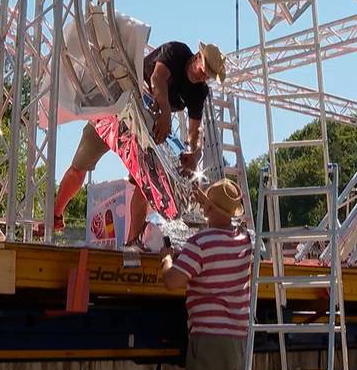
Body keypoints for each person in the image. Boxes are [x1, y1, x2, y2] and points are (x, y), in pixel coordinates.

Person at [40, 41, 228, 243]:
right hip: (120, 108)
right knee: (81, 163)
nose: (203, 76)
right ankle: (56, 215)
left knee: (147, 185)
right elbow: (158, 78)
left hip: (147, 129)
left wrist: (196, 152)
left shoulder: (199, 92)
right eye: (205, 69)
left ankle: (132, 242)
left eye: (208, 75)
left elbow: (195, 128)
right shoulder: (177, 52)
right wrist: (165, 112)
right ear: (197, 57)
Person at [161, 178, 252, 370]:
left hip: (210, 340)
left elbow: (173, 281)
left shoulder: (200, 243)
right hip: (239, 339)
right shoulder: (245, 242)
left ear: (209, 209)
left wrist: (167, 260)